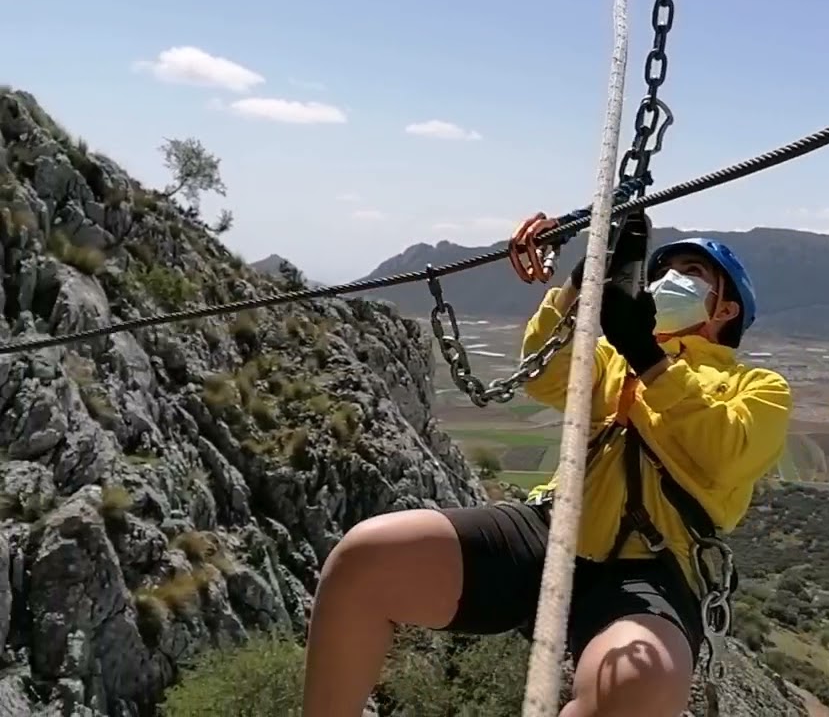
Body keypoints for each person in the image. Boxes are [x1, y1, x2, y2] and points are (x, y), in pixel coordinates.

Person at [300, 212, 792, 717]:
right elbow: (545, 372)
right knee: (365, 561)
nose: (670, 279)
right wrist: (582, 280)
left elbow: (726, 451)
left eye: (692, 271)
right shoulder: (612, 358)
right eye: (664, 271)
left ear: (726, 308)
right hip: (552, 528)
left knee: (637, 683)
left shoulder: (759, 389)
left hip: (654, 563)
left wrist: (651, 361)